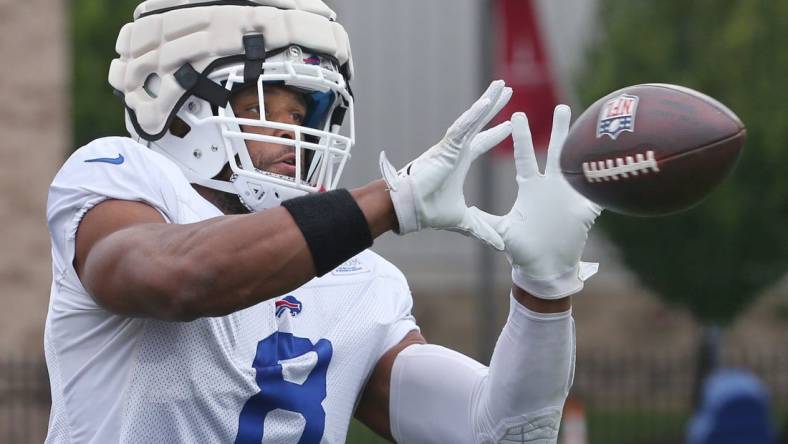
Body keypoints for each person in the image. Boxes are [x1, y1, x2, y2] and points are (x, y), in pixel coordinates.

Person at [44, 1, 601, 443]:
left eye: (305, 114)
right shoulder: (118, 177)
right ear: (184, 105)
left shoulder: (358, 279)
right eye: (270, 107)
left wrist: (544, 292)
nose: (297, 134)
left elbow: (496, 432)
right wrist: (392, 200)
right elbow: (176, 277)